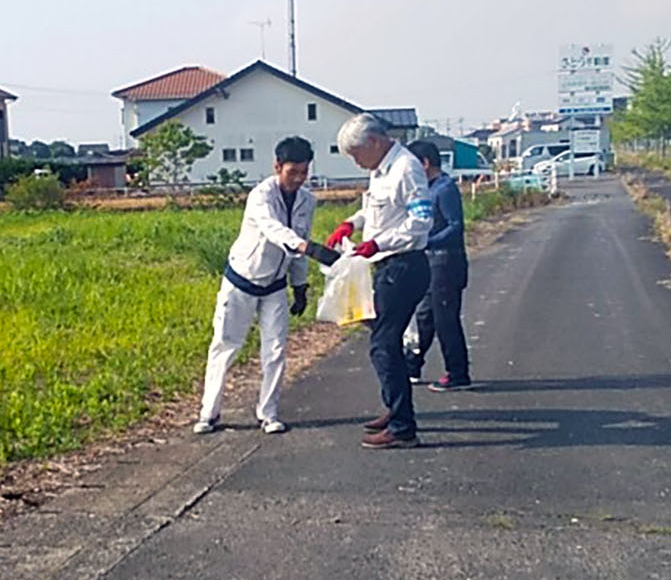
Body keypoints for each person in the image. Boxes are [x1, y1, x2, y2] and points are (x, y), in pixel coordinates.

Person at [196, 137, 318, 436]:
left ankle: (269, 413)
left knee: (275, 349)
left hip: (275, 285)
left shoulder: (308, 200)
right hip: (242, 281)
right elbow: (274, 229)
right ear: (277, 167)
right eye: (293, 172)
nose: (299, 179)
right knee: (226, 346)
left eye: (304, 172)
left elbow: (301, 238)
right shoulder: (260, 196)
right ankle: (208, 413)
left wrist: (299, 286)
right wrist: (302, 245)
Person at [328, 113, 434, 448]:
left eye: (357, 154)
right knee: (382, 336)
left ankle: (403, 427)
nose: (356, 162)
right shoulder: (381, 171)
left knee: (383, 344)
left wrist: (380, 243)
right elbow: (375, 212)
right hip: (387, 265)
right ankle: (396, 406)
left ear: (374, 142)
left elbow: (421, 221)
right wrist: (351, 223)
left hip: (404, 265)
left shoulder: (406, 169)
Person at [402, 139, 472, 392]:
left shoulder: (445, 188)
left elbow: (455, 226)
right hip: (432, 262)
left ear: (425, 163)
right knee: (424, 316)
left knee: (445, 320)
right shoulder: (427, 188)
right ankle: (411, 366)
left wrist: (426, 241)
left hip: (447, 261)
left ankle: (458, 373)